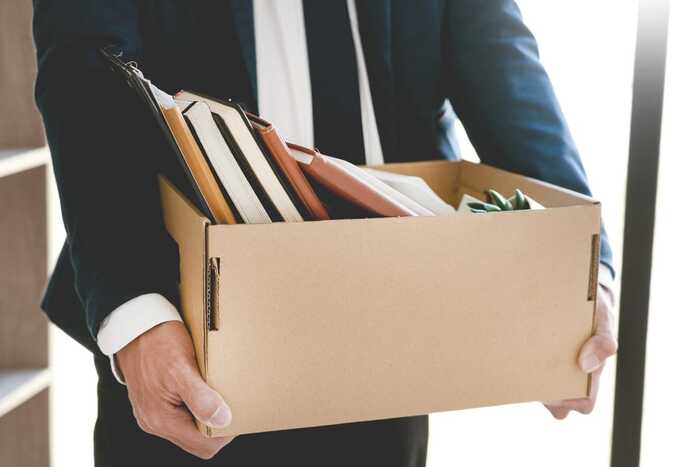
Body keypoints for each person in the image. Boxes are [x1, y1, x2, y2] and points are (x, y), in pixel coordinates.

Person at [34, 0, 617, 465]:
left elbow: (502, 62)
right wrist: (136, 314)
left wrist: (581, 273)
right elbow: (86, 74)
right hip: (180, 324)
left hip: (396, 321)